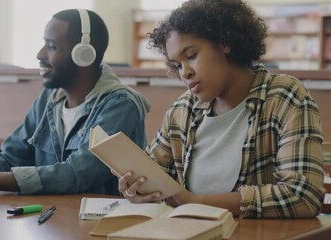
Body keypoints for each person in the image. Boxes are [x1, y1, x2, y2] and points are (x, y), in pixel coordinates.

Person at [117, 0, 325, 218]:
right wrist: (137, 188)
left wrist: (199, 203)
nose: (185, 73)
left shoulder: (285, 97)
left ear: (223, 42)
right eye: (177, 65)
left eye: (191, 56)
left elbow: (304, 196)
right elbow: (154, 175)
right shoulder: (182, 110)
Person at [0, 9, 150, 196]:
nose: (40, 54)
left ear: (83, 55)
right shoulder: (50, 100)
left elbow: (75, 173)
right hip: (54, 221)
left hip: (101, 227)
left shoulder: (120, 105)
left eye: (52, 46)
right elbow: (11, 156)